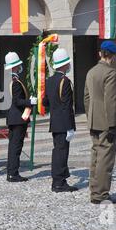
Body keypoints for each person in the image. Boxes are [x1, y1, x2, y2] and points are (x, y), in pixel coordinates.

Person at [84, 40, 116, 204]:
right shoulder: (110, 72)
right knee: (105, 158)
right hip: (106, 121)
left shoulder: (91, 72)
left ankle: (94, 191)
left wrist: (90, 116)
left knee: (96, 156)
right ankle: (101, 195)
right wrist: (112, 124)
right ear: (112, 57)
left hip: (93, 120)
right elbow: (110, 100)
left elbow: (86, 98)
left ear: (100, 54)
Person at [43, 48, 78, 192]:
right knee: (62, 153)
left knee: (57, 151)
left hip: (55, 122)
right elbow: (67, 106)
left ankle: (57, 180)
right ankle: (59, 182)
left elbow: (46, 102)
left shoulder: (49, 80)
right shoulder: (65, 81)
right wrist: (70, 126)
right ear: (64, 65)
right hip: (63, 123)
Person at [5, 52, 36, 182]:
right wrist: (30, 102)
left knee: (13, 146)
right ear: (15, 66)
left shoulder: (11, 80)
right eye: (18, 65)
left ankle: (11, 172)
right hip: (18, 118)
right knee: (16, 147)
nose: (20, 67)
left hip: (13, 118)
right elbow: (17, 101)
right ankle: (13, 173)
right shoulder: (16, 82)